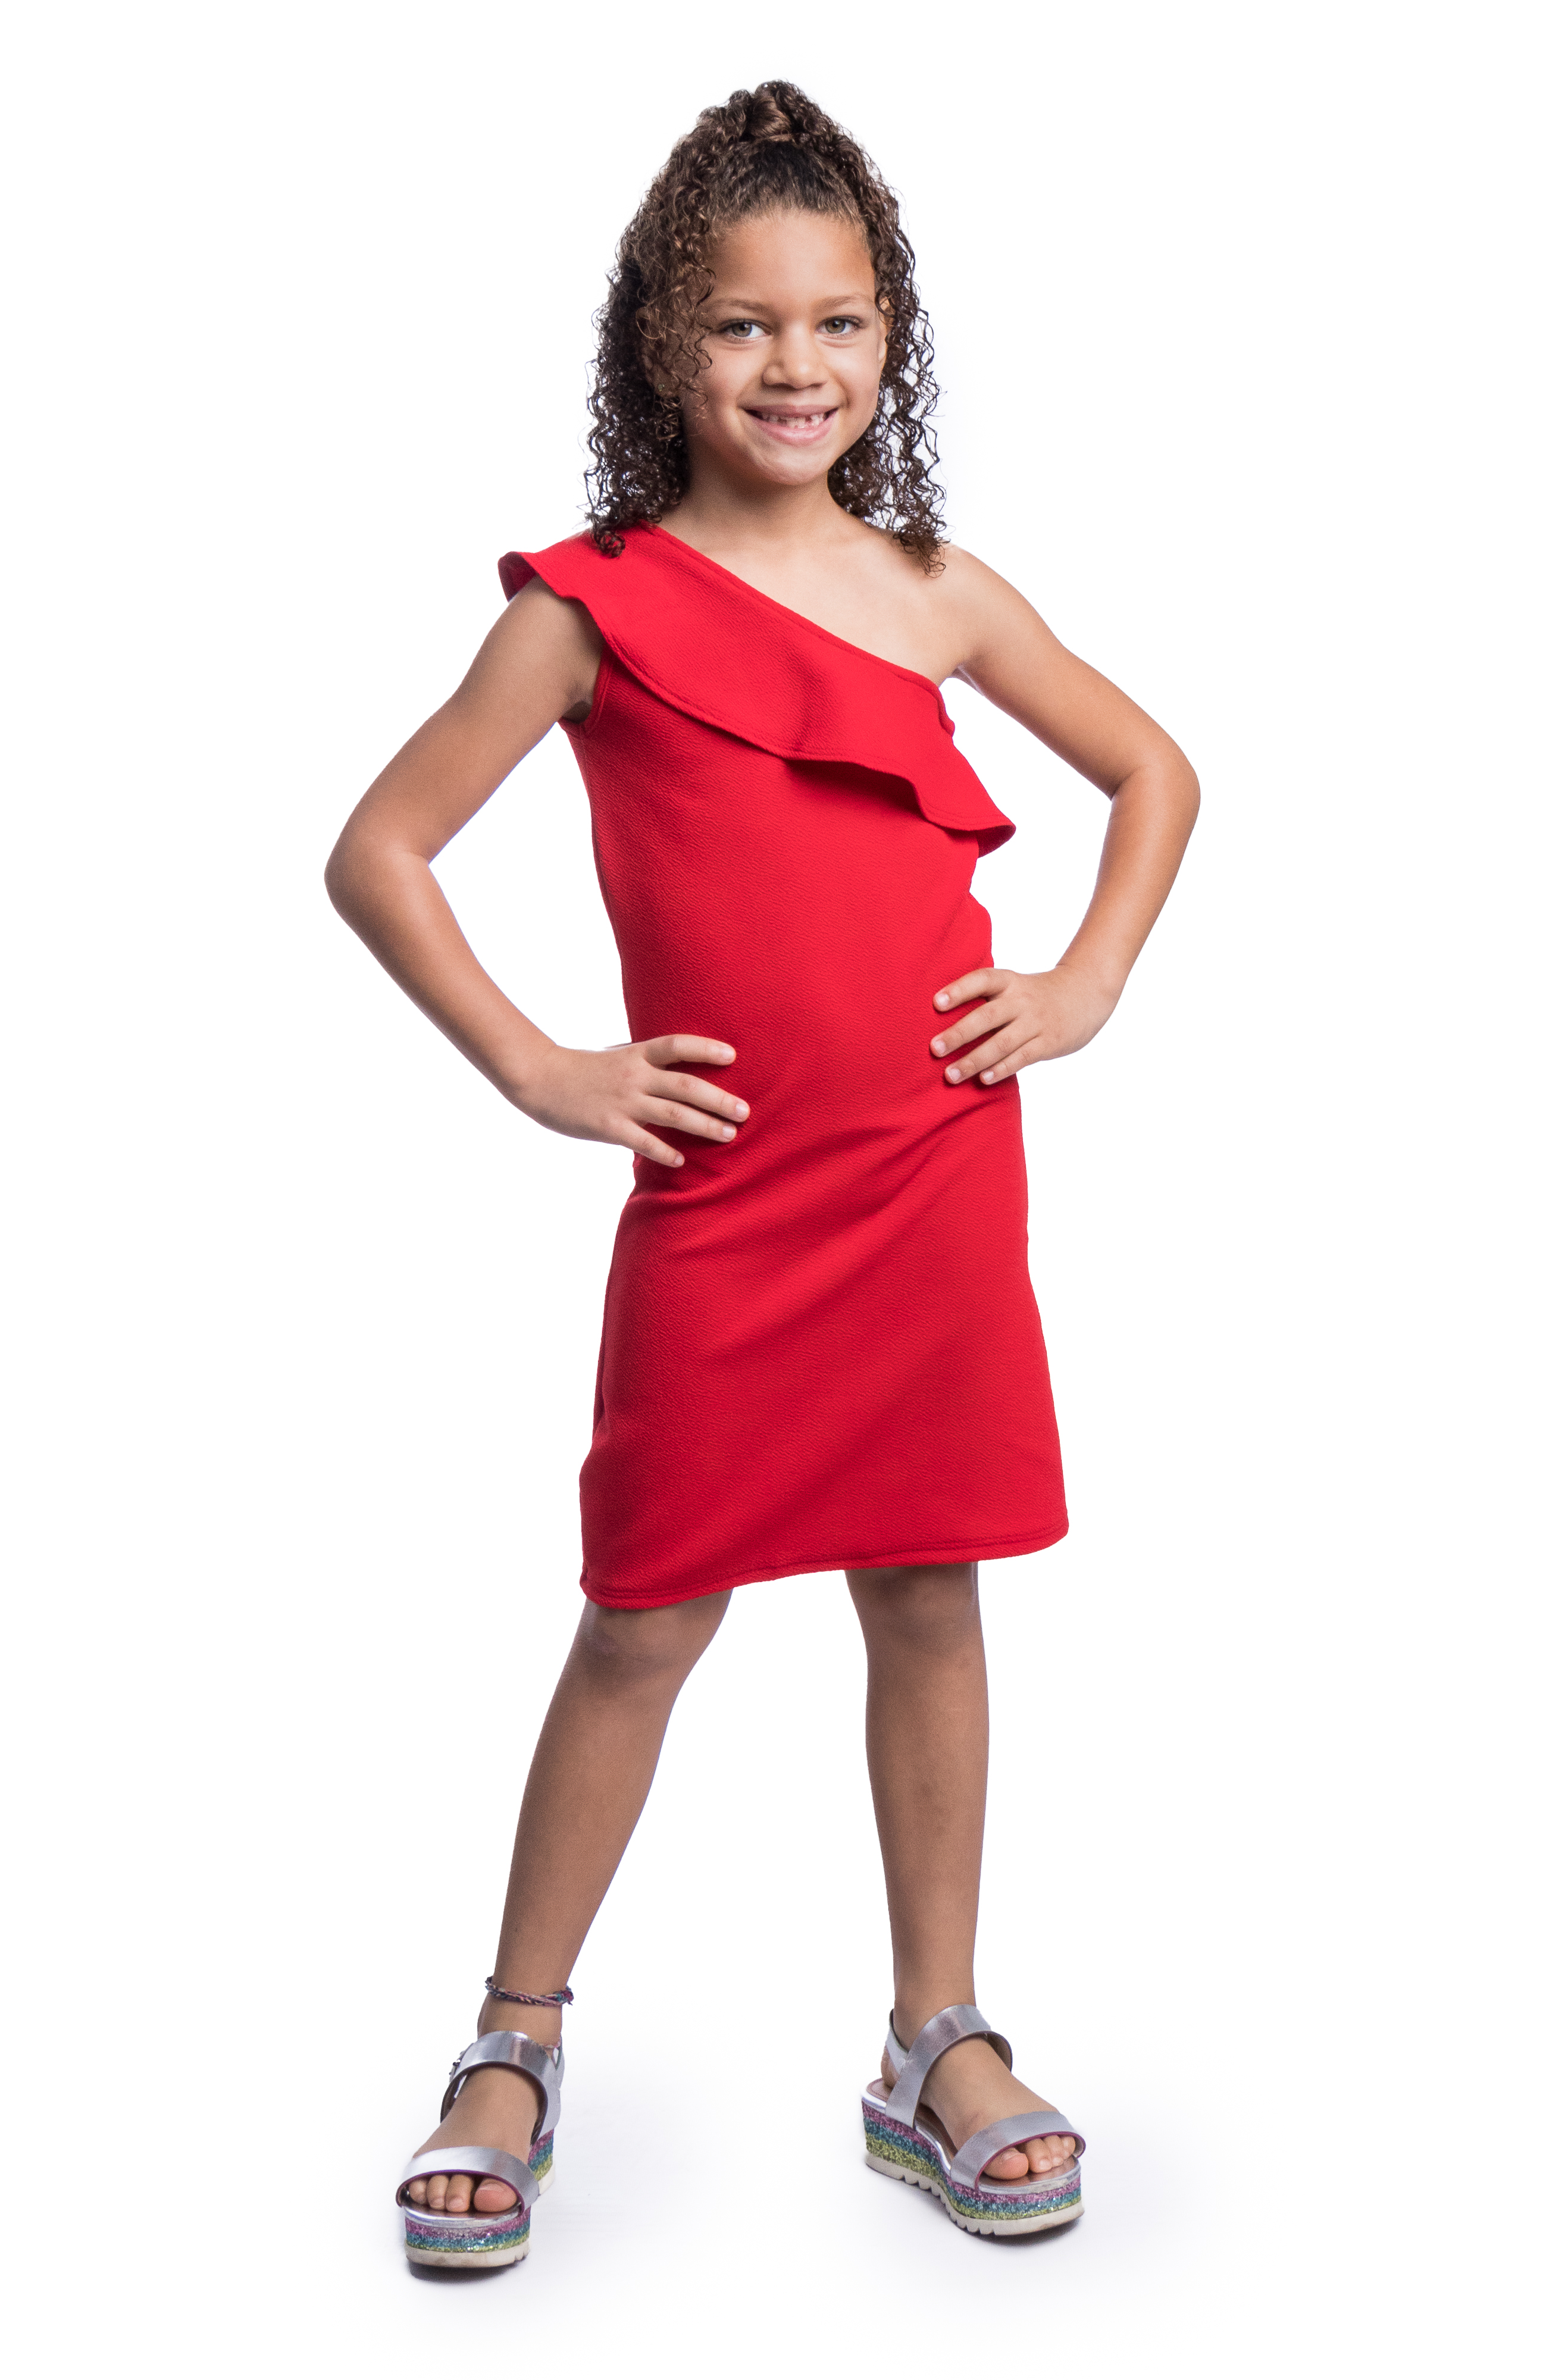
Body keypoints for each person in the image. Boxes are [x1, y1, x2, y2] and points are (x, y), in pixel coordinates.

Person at [326, 80, 1198, 2269]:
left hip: (933, 1171)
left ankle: (937, 2039)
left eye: (836, 322)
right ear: (663, 342)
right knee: (645, 1614)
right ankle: (516, 2036)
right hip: (728, 1202)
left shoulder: (935, 589)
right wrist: (541, 1064)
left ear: (890, 341)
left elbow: (1154, 771)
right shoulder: (592, 606)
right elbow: (382, 847)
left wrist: (1083, 982)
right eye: (742, 324)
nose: (793, 365)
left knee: (930, 1587)